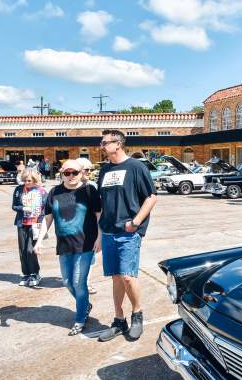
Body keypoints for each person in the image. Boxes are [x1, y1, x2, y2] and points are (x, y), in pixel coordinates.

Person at [97, 129, 157, 342]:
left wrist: (136, 222)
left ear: (118, 144)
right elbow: (103, 204)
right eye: (102, 143)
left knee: (127, 277)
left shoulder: (136, 167)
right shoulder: (104, 171)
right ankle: (119, 320)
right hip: (109, 232)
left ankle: (137, 314)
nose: (101, 146)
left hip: (128, 233)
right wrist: (99, 234)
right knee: (115, 277)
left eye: (105, 143)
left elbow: (151, 197)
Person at [34, 160, 102, 335]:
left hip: (85, 244)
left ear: (81, 173)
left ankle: (80, 319)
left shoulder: (89, 191)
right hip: (64, 245)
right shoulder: (54, 192)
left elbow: (99, 216)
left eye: (75, 173)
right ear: (62, 173)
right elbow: (47, 218)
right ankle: (85, 305)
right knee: (67, 282)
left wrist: (100, 238)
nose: (71, 176)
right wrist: (39, 240)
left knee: (79, 282)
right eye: (67, 173)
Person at [12, 168, 47, 287]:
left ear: (35, 180)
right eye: (25, 180)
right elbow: (14, 206)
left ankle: (35, 273)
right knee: (22, 251)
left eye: (30, 181)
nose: (27, 183)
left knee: (30, 250)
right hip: (22, 223)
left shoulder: (41, 191)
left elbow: (46, 209)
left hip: (36, 224)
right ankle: (26, 274)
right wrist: (23, 208)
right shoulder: (18, 189)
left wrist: (42, 224)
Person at [76, 157, 99, 295]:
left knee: (89, 259)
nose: (89, 172)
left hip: (90, 230)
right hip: (73, 232)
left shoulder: (93, 186)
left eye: (91, 169)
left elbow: (98, 210)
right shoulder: (68, 185)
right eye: (86, 169)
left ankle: (86, 283)